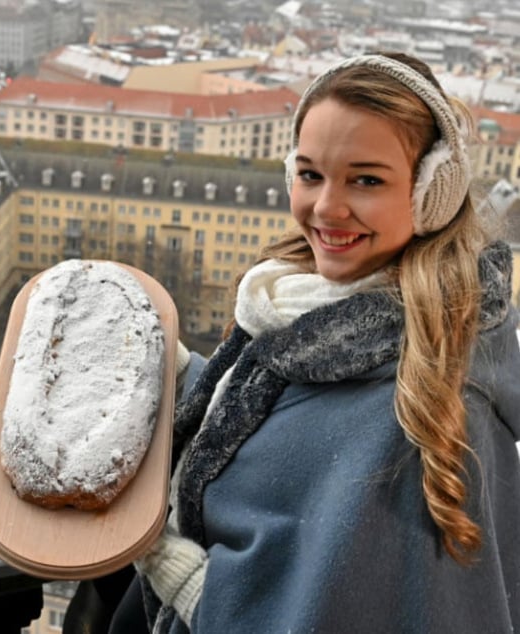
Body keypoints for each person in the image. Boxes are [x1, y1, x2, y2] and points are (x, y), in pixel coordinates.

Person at [114, 52, 520, 633]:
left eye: (367, 180)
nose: (327, 207)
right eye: (310, 174)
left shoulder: (431, 406)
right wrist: (190, 377)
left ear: (433, 191)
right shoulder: (316, 314)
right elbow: (293, 445)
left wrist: (187, 579)